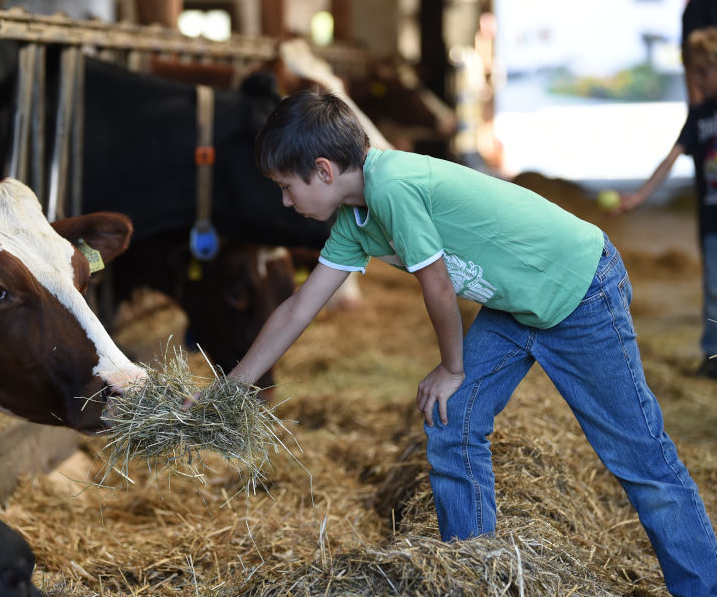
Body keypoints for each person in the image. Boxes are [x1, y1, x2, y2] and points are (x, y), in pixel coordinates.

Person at [210, 86, 717, 596]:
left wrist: (452, 368)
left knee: (639, 457)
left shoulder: (392, 185)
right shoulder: (354, 222)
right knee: (452, 420)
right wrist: (230, 391)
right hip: (515, 303)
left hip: (577, 289)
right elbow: (298, 308)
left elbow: (437, 283)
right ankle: (474, 578)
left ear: (322, 171)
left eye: (284, 186)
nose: (283, 199)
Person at [618, 26, 717, 380]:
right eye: (693, 73)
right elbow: (671, 158)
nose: (698, 81)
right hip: (711, 219)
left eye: (704, 72)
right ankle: (712, 355)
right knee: (714, 286)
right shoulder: (700, 115)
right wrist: (640, 196)